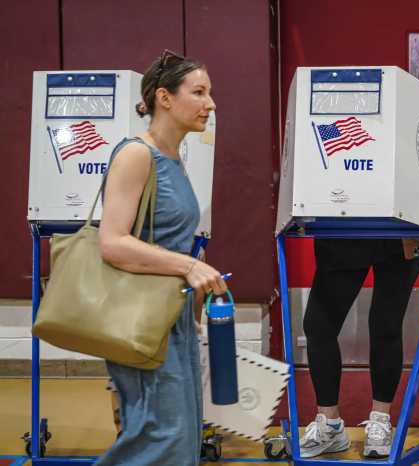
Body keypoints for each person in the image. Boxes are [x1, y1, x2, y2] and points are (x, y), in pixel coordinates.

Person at [96, 50, 226, 465]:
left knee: (182, 440)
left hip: (173, 317)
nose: (211, 103)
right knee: (159, 439)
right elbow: (113, 242)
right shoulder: (137, 154)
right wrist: (189, 266)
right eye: (199, 92)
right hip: (139, 318)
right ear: (164, 98)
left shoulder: (174, 159)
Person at [300, 238, 419, 458]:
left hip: (401, 232)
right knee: (319, 325)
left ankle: (380, 421)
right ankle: (330, 426)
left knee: (385, 324)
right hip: (344, 229)